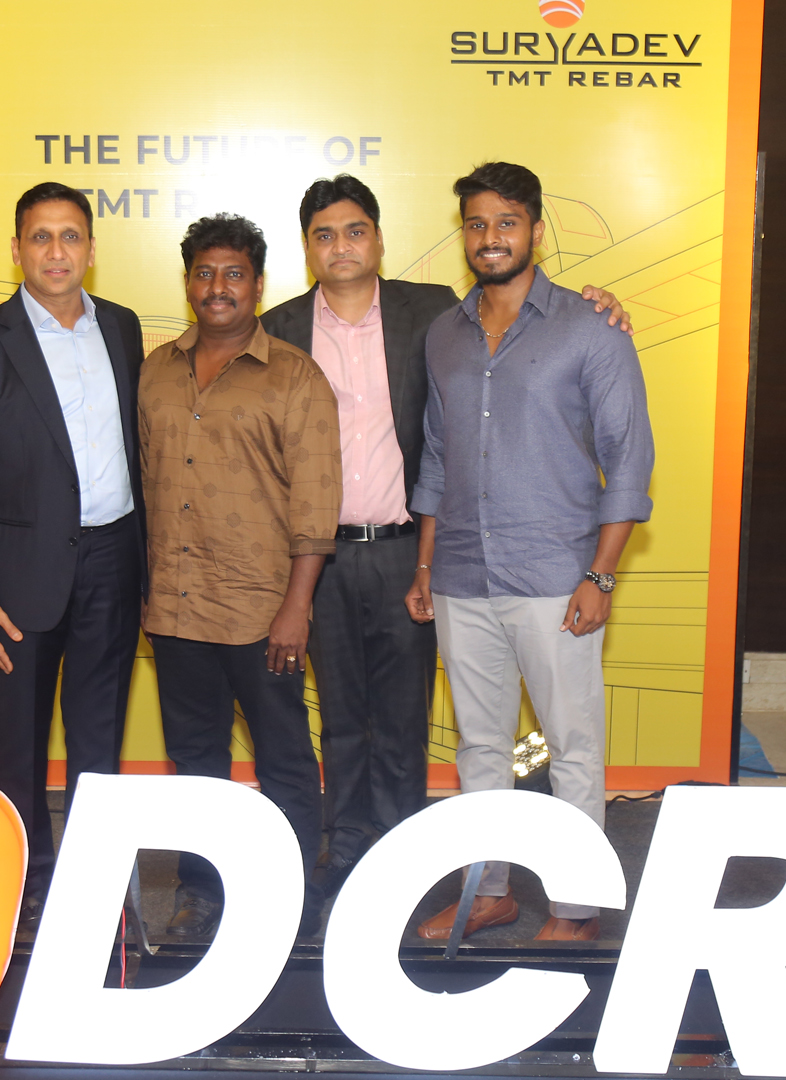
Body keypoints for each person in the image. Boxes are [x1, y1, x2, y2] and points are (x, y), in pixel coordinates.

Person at [261, 176, 632, 899]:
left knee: (408, 723)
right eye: (325, 235)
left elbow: (527, 322)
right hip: (326, 557)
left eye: (356, 231)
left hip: (414, 548)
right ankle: (354, 861)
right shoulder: (278, 329)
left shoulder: (431, 312)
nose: (342, 246)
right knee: (345, 719)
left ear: (378, 238)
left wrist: (601, 303)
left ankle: (418, 864)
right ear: (307, 247)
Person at [405, 162, 653, 941]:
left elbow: (630, 461)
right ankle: (490, 891)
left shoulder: (590, 328)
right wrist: (424, 566)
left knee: (571, 747)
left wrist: (600, 575)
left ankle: (577, 906)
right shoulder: (442, 335)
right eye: (476, 224)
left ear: (536, 231)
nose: (491, 238)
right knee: (480, 747)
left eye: (506, 222)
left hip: (555, 576)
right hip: (460, 574)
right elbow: (437, 457)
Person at [0, 184, 146, 925]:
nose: (56, 251)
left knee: (99, 730)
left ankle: (95, 876)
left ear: (90, 248)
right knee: (21, 736)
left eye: (70, 236)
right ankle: (25, 873)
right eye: (40, 237)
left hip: (114, 557)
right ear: (17, 249)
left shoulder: (121, 327)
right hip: (19, 573)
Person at [140, 213, 341, 940]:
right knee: (196, 765)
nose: (217, 287)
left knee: (284, 760)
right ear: (188, 282)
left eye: (233, 274)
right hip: (176, 607)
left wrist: (296, 608)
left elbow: (317, 506)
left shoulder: (294, 375)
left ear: (257, 285)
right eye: (205, 273)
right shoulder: (155, 370)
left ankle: (292, 890)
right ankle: (202, 893)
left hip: (262, 611)